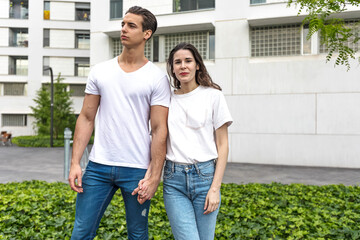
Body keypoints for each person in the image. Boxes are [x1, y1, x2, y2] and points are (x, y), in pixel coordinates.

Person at [68, 6, 170, 240]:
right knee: (81, 232)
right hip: (98, 166)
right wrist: (75, 163)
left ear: (147, 34)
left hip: (136, 169)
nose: (124, 29)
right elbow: (86, 117)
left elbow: (159, 129)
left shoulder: (156, 78)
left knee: (137, 234)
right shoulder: (100, 71)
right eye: (123, 24)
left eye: (131, 25)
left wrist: (155, 176)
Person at [163, 42, 233, 240]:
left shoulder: (213, 96)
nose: (183, 66)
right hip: (174, 180)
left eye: (188, 61)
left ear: (198, 65)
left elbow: (223, 145)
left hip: (205, 178)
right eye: (177, 62)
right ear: (172, 68)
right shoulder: (166, 99)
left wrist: (215, 189)